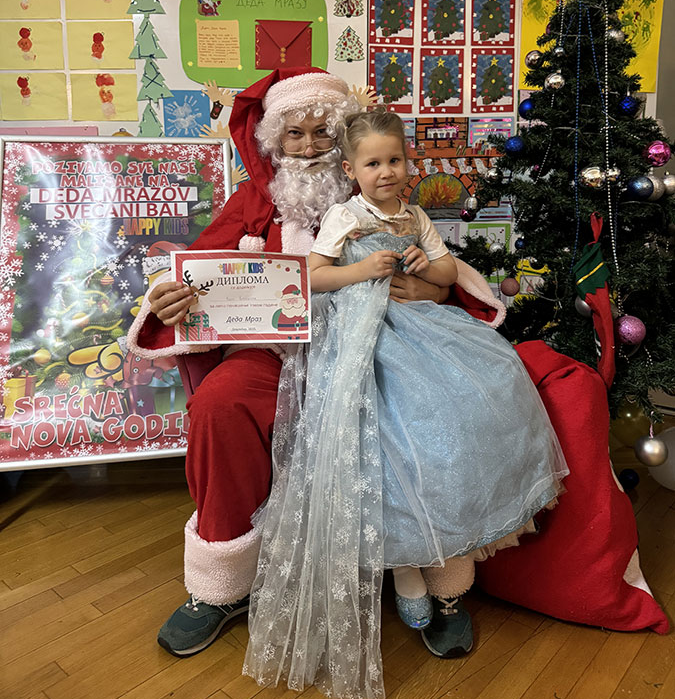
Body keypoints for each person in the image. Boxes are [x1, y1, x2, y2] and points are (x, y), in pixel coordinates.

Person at [126, 68, 486, 660]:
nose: (310, 145)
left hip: (380, 345)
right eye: (295, 134)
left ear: (347, 140)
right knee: (220, 405)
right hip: (276, 352)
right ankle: (223, 585)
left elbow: (439, 266)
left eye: (324, 131)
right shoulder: (253, 201)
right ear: (276, 140)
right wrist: (170, 295)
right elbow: (196, 267)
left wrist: (433, 289)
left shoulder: (378, 184)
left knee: (436, 403)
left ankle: (444, 582)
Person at [242, 108, 568, 699]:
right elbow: (312, 275)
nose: (386, 172)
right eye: (373, 163)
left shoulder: (415, 217)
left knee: (478, 389)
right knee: (383, 431)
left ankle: (443, 575)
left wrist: (426, 265)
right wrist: (361, 269)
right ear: (351, 170)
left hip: (419, 323)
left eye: (395, 160)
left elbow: (445, 268)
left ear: (407, 164)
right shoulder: (346, 215)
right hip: (361, 335)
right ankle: (404, 571)